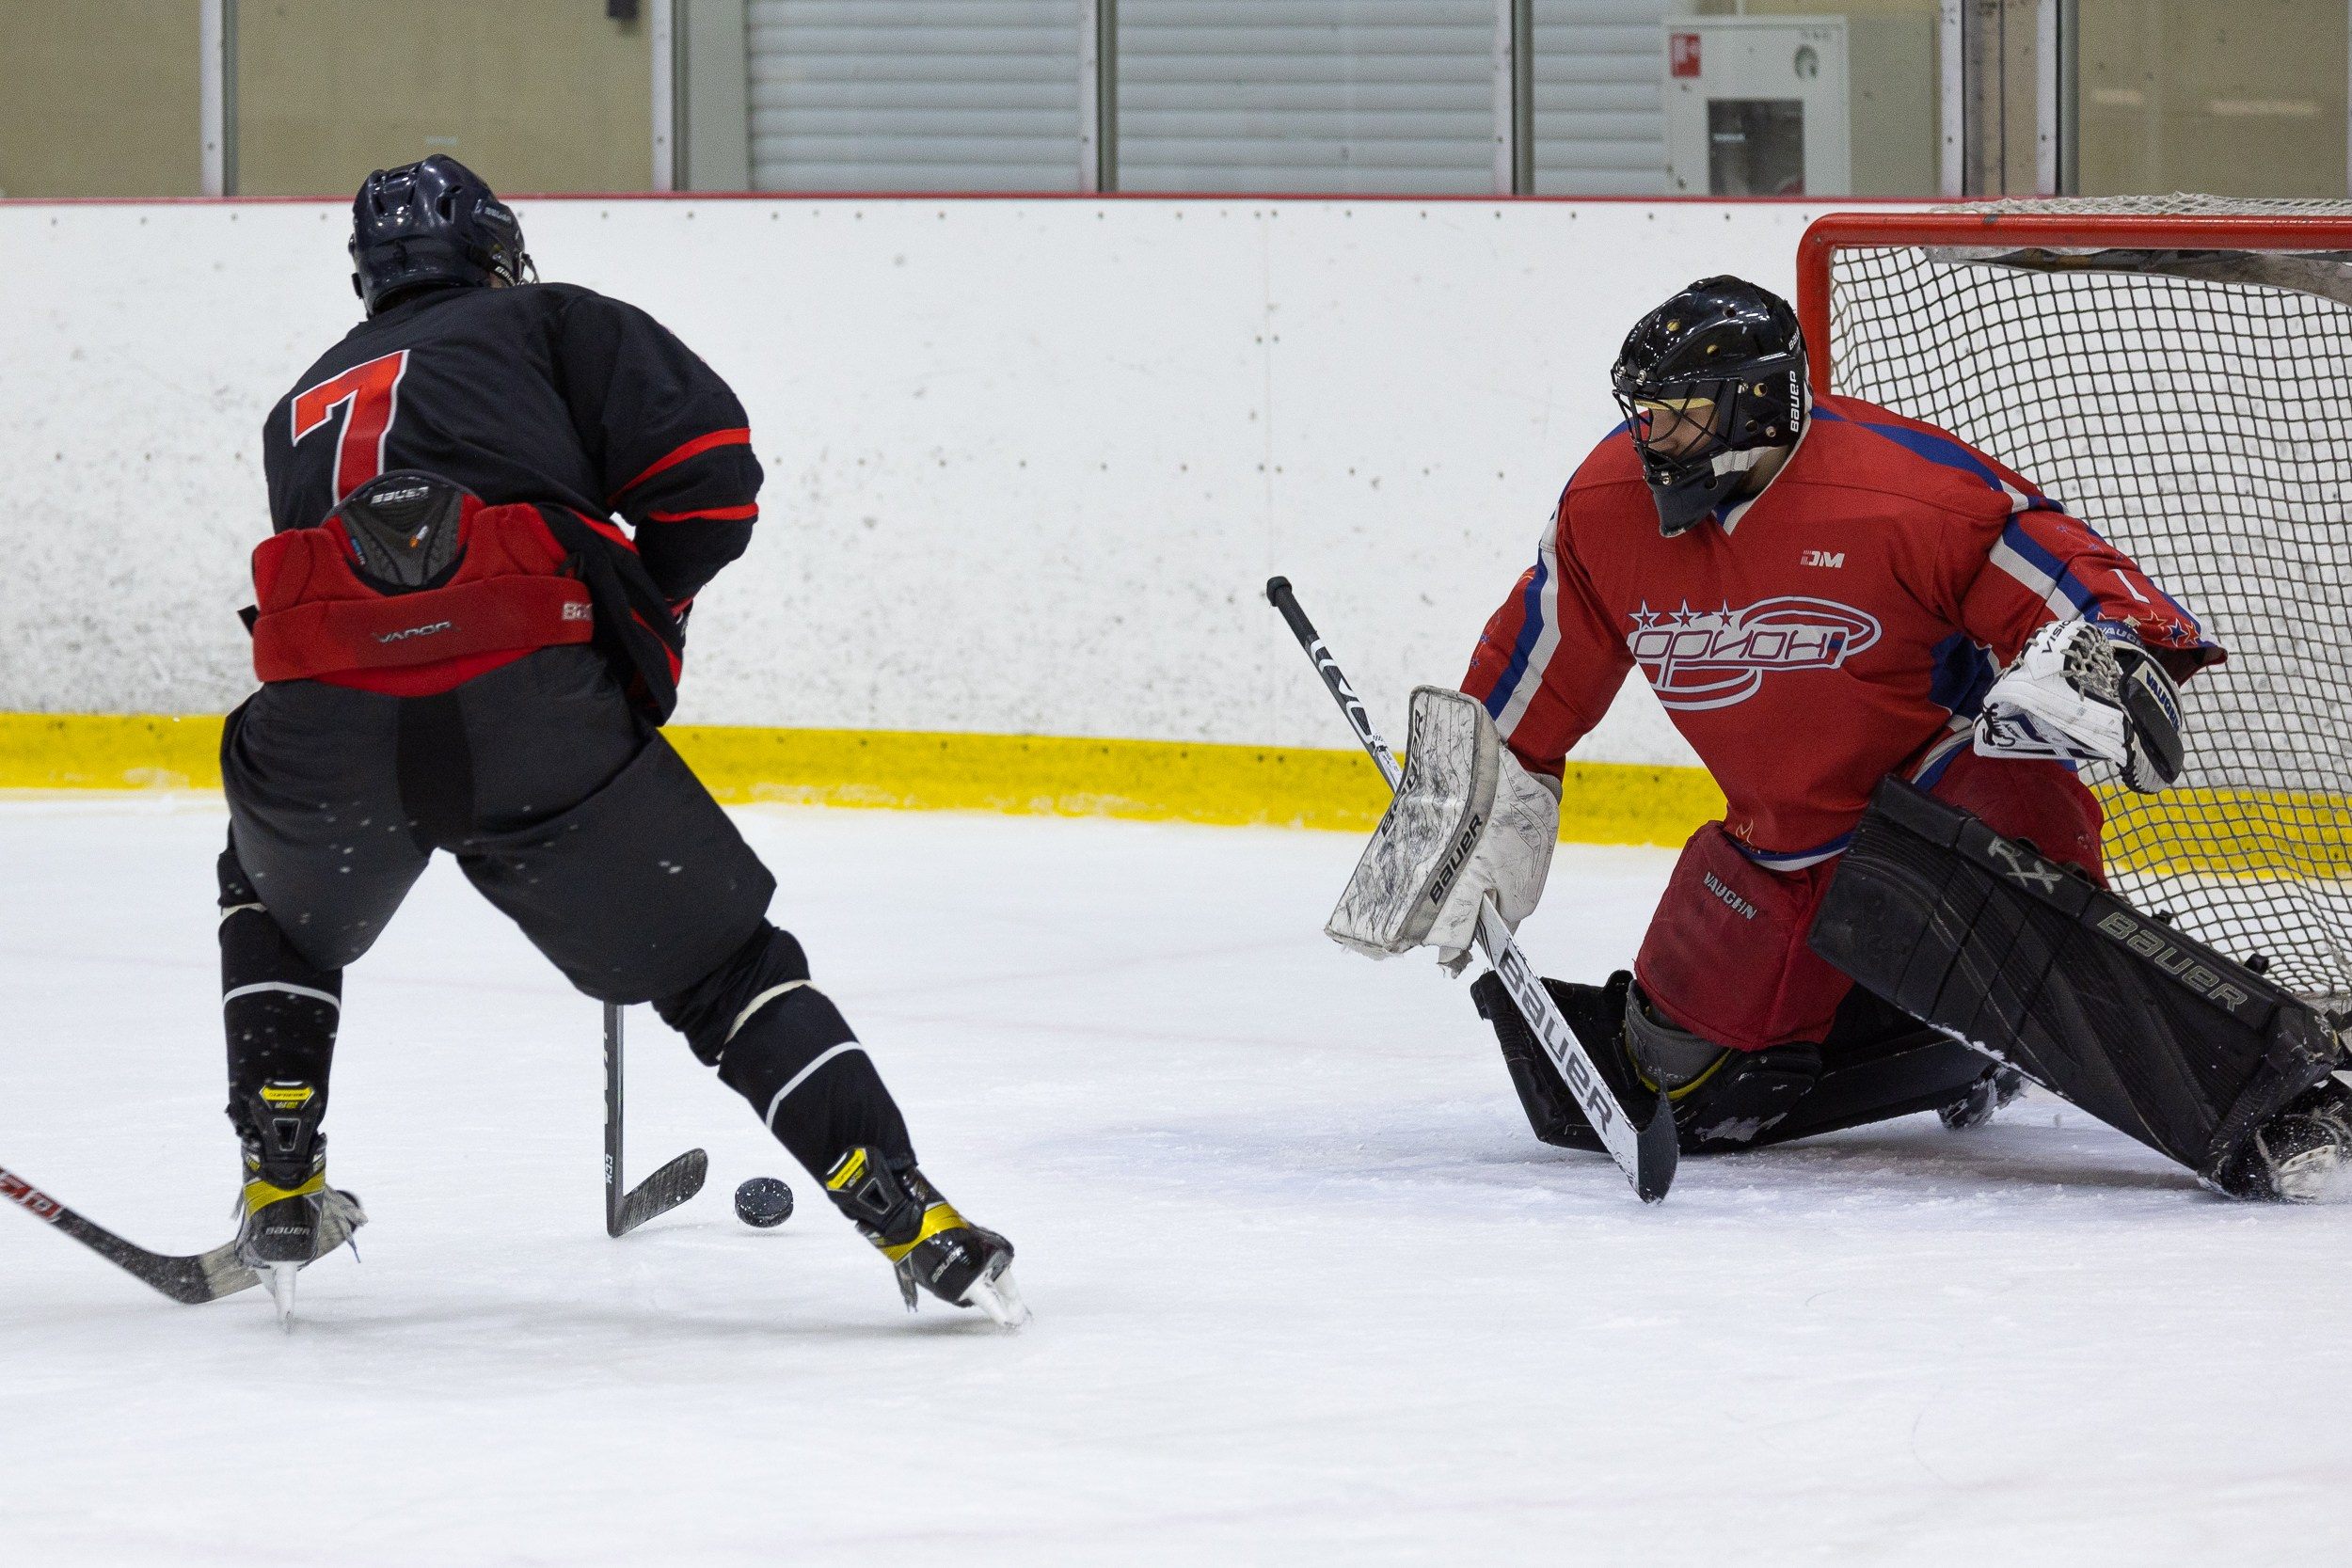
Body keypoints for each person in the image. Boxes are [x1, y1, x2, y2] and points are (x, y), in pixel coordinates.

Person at [1327, 275, 2351, 1198]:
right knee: (1685, 1085)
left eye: (1676, 416)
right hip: (1779, 843)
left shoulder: (1903, 490)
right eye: (1642, 414)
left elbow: (2076, 589)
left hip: (1942, 809)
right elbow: (1523, 694)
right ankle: (1942, 1029)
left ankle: (2263, 1091)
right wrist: (1461, 800)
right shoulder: (1605, 510)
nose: (1651, 440)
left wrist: (2113, 652)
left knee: (1986, 887)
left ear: (1758, 405)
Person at [217, 156, 1025, 1323]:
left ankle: (283, 1168)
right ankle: (909, 1210)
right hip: (528, 711)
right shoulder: (552, 318)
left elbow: (363, 608)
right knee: (724, 972)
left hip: (327, 731)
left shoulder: (300, 401)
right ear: (496, 246)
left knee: (273, 897)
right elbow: (712, 487)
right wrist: (630, 619)